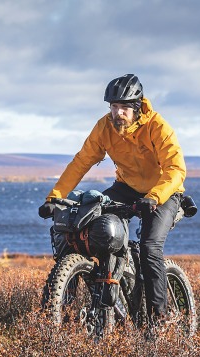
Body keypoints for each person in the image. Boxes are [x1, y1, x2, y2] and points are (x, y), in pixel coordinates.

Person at [39, 73, 187, 323]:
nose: (118, 113)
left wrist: (153, 197)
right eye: (114, 107)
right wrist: (55, 197)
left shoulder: (158, 127)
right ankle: (88, 295)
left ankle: (159, 317)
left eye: (124, 108)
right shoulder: (105, 127)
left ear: (137, 107)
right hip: (126, 187)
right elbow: (81, 161)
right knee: (89, 221)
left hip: (164, 192)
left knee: (150, 248)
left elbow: (176, 169)